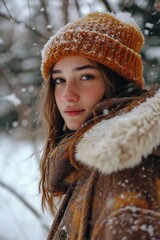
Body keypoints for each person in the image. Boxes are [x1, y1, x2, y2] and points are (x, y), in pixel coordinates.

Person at [39, 11, 160, 240]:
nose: (67, 95)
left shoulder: (123, 164)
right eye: (59, 80)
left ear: (118, 81)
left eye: (86, 77)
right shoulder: (92, 157)